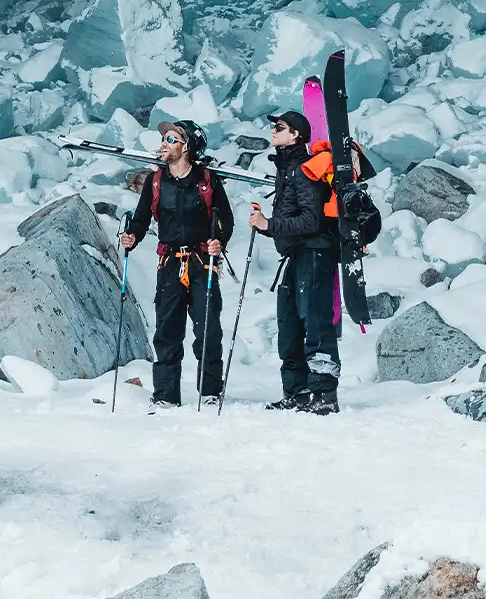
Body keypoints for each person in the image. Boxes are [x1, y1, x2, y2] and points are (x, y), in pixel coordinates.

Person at [119, 120, 233, 410]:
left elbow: (225, 221)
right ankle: (166, 395)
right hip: (170, 263)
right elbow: (143, 218)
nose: (164, 143)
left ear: (187, 146)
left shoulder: (207, 180)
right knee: (167, 330)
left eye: (171, 139)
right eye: (164, 138)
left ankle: (209, 391)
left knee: (208, 328)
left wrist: (218, 240)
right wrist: (133, 235)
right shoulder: (156, 181)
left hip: (201, 262)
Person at [249, 110, 341, 415]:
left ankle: (324, 394)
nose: (274, 131)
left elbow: (311, 219)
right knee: (289, 323)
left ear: (296, 135)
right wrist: (267, 226)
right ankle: (297, 391)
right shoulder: (288, 168)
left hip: (315, 252)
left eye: (280, 127)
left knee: (314, 320)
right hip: (297, 254)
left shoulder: (304, 170)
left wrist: (269, 224)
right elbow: (293, 220)